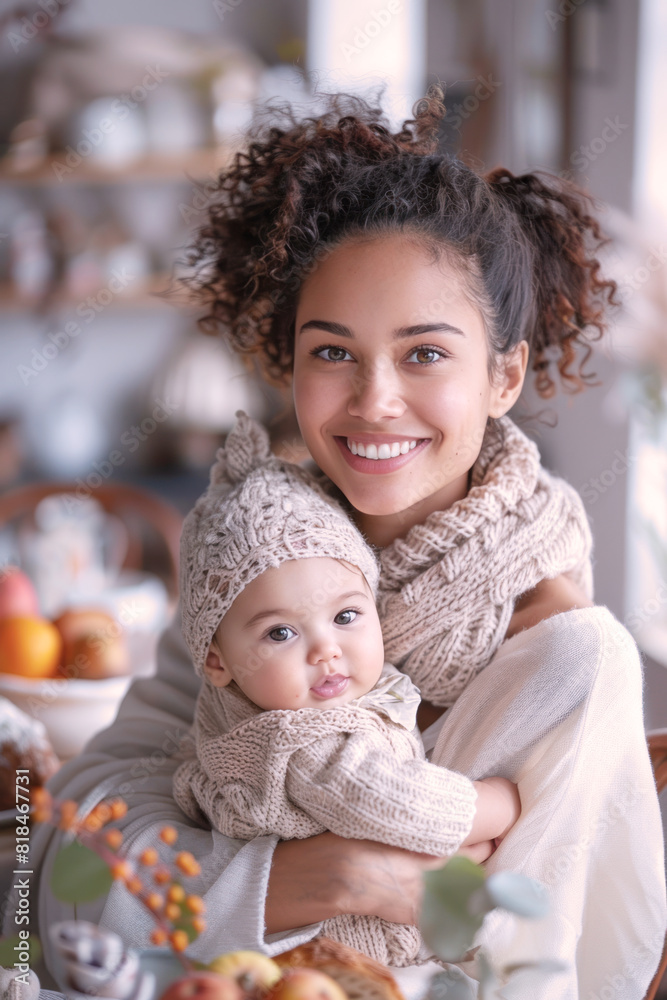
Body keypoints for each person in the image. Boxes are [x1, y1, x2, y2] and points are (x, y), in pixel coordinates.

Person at [27, 85, 665, 999]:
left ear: (504, 374)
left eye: (425, 353)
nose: (373, 400)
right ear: (287, 362)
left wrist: (210, 884)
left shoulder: (563, 659)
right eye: (332, 352)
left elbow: (539, 968)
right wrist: (335, 877)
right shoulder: (257, 556)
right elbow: (50, 883)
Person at [171, 410, 521, 967]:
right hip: (344, 954)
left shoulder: (290, 702)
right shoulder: (303, 745)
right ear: (217, 662)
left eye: (346, 615)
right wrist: (500, 805)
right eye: (281, 632)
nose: (325, 650)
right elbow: (401, 806)